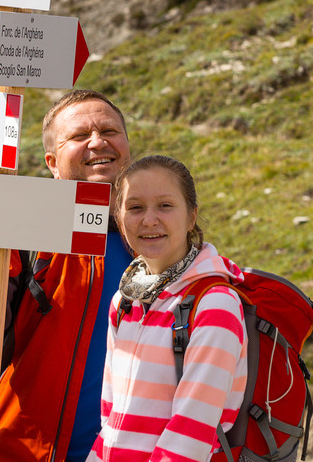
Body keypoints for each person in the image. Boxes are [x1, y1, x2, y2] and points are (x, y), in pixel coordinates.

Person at [0, 89, 134, 462]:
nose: (97, 141)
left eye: (109, 130)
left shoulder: (158, 233)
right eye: (78, 136)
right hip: (28, 452)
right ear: (53, 163)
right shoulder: (23, 230)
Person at [87, 155, 248, 462]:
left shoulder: (214, 304)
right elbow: (110, 418)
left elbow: (192, 435)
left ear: (191, 217)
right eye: (135, 208)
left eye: (165, 205)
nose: (149, 220)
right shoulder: (123, 302)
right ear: (119, 220)